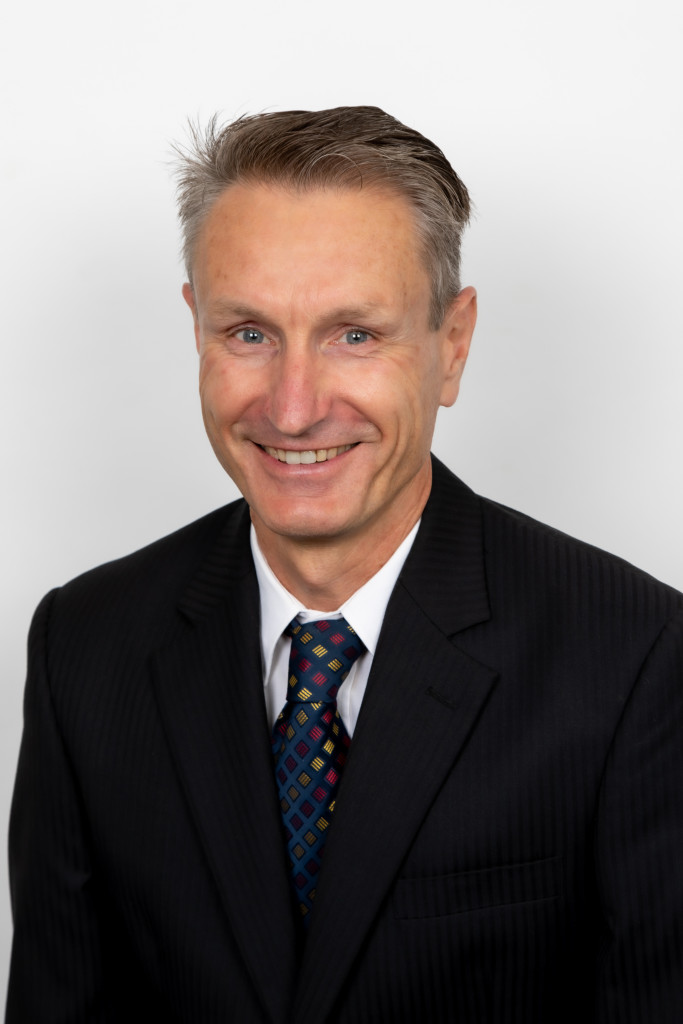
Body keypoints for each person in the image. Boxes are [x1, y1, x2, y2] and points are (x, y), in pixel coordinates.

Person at [6, 106, 683, 1024]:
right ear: (196, 327)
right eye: (248, 333)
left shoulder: (633, 658)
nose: (292, 409)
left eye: (354, 334)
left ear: (452, 344)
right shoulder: (84, 647)